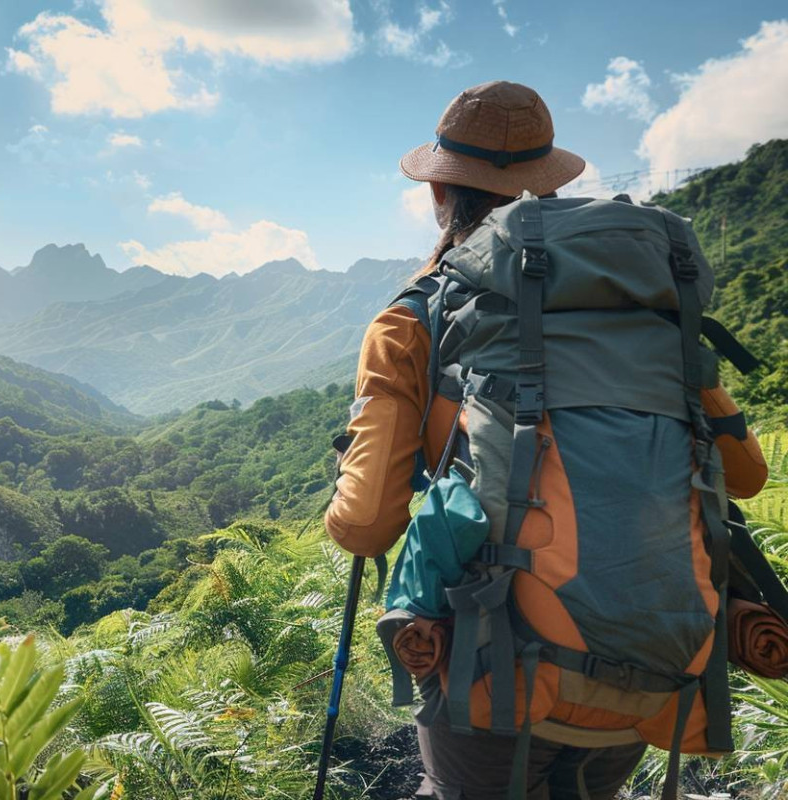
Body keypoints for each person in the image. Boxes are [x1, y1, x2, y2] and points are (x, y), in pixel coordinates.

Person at [323, 81, 770, 799]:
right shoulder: (642, 307)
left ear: (441, 193)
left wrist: (349, 481)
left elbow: (367, 524)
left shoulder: (410, 322)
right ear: (549, 180)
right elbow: (744, 474)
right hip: (648, 659)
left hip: (490, 669)